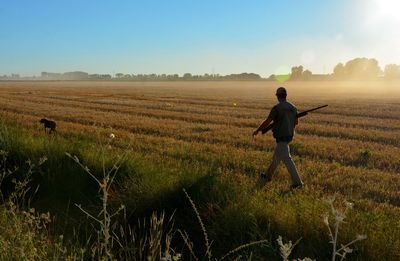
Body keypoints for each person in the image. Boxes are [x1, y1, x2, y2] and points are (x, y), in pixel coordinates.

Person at [252, 87, 304, 189]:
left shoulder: (277, 108)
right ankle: (268, 176)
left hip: (281, 137)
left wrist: (257, 130)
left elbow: (267, 121)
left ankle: (298, 183)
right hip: (289, 135)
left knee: (287, 159)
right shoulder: (293, 107)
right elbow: (296, 122)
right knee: (276, 158)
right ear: (286, 95)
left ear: (278, 96)